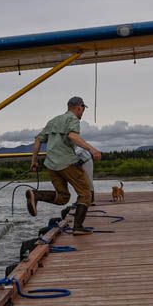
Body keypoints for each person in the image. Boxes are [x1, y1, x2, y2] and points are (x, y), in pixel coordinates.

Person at [26, 96, 102, 234]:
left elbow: (38, 140)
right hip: (67, 162)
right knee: (85, 194)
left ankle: (36, 195)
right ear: (79, 107)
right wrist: (92, 149)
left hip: (51, 165)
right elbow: (73, 136)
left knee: (63, 197)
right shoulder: (72, 119)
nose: (82, 113)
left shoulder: (53, 121)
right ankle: (78, 227)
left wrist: (34, 161)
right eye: (82, 110)